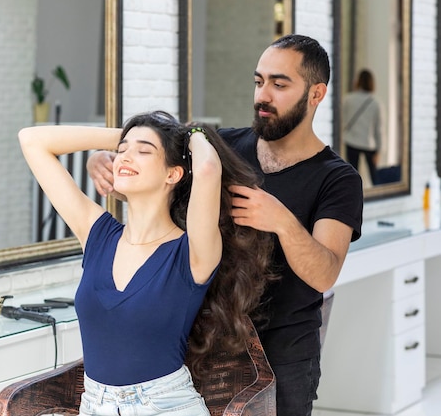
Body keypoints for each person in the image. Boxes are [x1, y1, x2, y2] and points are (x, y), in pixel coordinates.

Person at [86, 35, 364, 416]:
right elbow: (155, 183)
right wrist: (108, 163)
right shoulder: (220, 148)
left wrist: (282, 221)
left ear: (316, 94)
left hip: (282, 360)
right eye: (259, 81)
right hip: (199, 350)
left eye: (279, 84)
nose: (263, 95)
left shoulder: (338, 179)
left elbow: (325, 273)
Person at [18, 111, 273, 416]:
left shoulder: (191, 252)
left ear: (173, 174)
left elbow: (206, 167)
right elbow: (32, 141)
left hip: (165, 406)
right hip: (94, 405)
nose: (125, 157)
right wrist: (127, 135)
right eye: (122, 151)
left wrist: (189, 135)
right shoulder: (97, 234)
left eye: (143, 151)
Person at [342, 68, 384, 185]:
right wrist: (379, 150)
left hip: (351, 141)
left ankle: (354, 199)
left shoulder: (348, 99)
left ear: (358, 81)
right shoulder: (376, 103)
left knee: (352, 176)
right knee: (374, 177)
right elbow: (378, 129)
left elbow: (343, 120)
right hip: (368, 143)